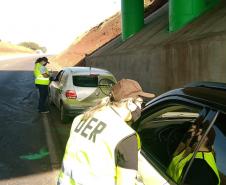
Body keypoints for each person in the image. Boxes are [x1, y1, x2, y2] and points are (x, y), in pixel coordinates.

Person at [57, 79, 155, 185]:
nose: (140, 107)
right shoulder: (125, 136)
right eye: (140, 102)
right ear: (130, 103)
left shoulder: (81, 118)